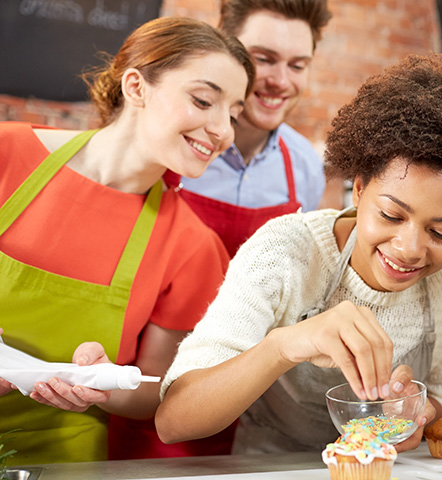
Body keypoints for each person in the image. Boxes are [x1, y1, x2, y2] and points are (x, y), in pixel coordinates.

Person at [155, 53, 442, 454]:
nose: (409, 249)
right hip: (269, 466)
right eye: (391, 215)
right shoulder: (285, 252)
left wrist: (419, 411)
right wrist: (284, 346)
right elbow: (174, 420)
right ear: (358, 189)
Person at [0, 17, 254, 465]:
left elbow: (158, 388)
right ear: (136, 87)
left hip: (62, 460)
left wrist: (106, 385)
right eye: (203, 100)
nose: (224, 131)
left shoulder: (191, 245)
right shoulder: (7, 154)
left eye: (233, 113)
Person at [166, 0, 333, 256]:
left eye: (297, 65)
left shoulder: (307, 167)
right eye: (264, 59)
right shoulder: (172, 143)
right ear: (226, 48)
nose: (280, 81)